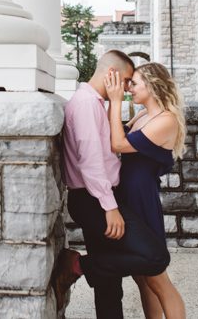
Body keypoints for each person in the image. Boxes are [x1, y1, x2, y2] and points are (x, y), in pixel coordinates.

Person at [50, 50, 170, 317]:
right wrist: (110, 206)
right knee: (155, 257)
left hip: (99, 197)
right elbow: (91, 162)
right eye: (126, 80)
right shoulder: (86, 104)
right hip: (94, 199)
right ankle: (77, 265)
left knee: (108, 285)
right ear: (111, 74)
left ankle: (81, 266)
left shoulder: (95, 103)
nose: (127, 88)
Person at [106, 62, 186, 319]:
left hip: (142, 199)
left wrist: (116, 100)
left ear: (152, 86)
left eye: (135, 83)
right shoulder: (142, 115)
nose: (129, 88)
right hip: (128, 194)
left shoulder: (166, 120)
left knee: (157, 276)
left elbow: (118, 143)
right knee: (142, 277)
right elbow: (113, 134)